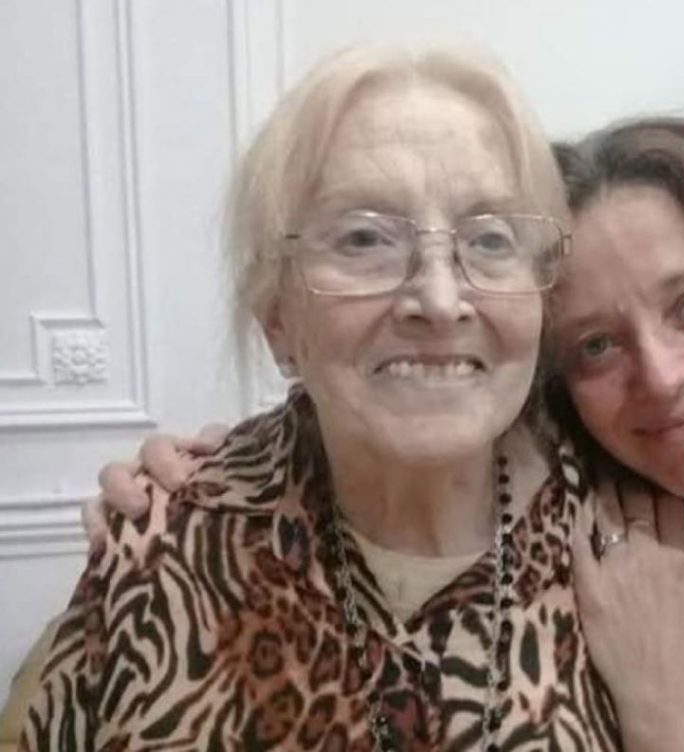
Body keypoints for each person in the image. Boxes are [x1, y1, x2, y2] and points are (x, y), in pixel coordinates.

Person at [84, 115, 684, 751]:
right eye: (596, 345)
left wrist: (670, 714)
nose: (661, 375)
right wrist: (210, 482)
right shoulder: (607, 497)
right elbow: (407, 413)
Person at [16, 45, 625, 751]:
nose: (438, 299)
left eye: (490, 239)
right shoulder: (167, 542)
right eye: (364, 238)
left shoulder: (632, 541)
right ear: (278, 319)